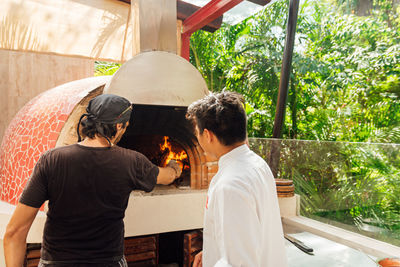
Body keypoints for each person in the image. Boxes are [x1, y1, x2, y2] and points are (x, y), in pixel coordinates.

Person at [3, 94, 182, 267]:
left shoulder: (52, 160)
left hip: (56, 261)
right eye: (126, 125)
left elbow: (14, 232)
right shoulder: (131, 162)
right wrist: (175, 166)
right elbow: (166, 177)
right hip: (108, 262)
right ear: (119, 126)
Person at [187, 92, 287, 267]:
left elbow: (240, 263)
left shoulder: (230, 185)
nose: (197, 138)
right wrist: (211, 252)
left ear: (208, 135)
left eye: (197, 133)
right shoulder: (257, 164)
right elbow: (247, 234)